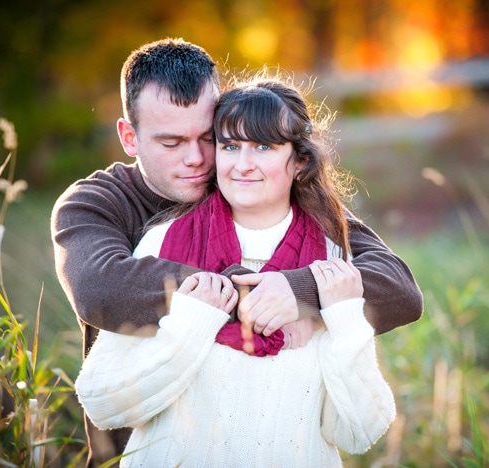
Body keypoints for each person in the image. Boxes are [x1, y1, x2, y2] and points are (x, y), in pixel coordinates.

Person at [50, 38, 421, 464]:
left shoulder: (248, 184)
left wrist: (300, 290)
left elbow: (397, 287)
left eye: (209, 138)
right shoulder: (97, 202)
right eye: (171, 143)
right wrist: (258, 302)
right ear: (130, 138)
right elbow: (102, 292)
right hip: (142, 446)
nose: (196, 159)